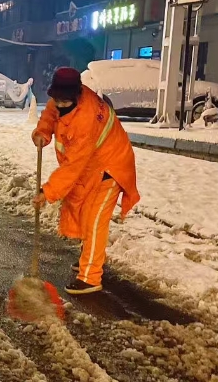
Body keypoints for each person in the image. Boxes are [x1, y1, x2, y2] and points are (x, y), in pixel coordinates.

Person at [31, 67, 140, 295]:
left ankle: (90, 277)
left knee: (94, 220)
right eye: (57, 99)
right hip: (92, 165)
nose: (59, 104)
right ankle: (89, 258)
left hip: (111, 167)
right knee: (84, 212)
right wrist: (43, 132)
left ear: (76, 95)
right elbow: (51, 112)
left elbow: (73, 166)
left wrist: (47, 192)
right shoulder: (63, 99)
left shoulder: (86, 118)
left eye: (64, 101)